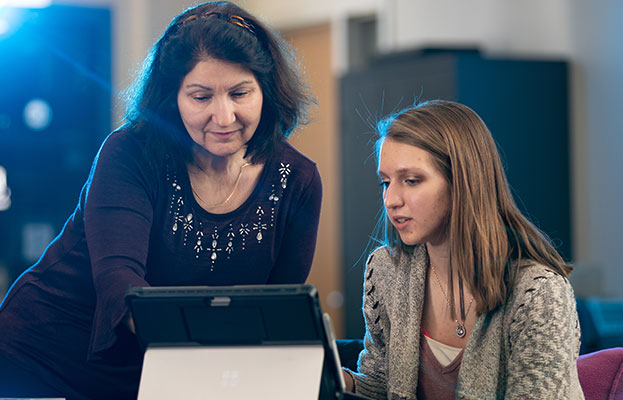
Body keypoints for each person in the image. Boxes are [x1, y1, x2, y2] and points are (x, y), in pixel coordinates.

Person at [0, 2, 322, 399]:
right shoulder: (130, 153)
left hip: (169, 367)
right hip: (47, 355)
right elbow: (120, 283)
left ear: (266, 91)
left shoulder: (298, 180)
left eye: (240, 93)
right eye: (201, 96)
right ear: (172, 98)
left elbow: (275, 310)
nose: (223, 117)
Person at [342, 100, 583, 399]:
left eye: (412, 181)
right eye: (385, 182)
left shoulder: (537, 293)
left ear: (463, 182)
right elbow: (381, 383)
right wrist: (341, 381)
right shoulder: (386, 270)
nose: (391, 200)